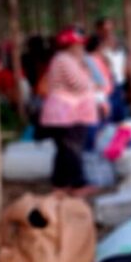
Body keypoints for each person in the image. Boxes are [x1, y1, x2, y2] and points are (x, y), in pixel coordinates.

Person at [40, 27, 100, 192]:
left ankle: (61, 184)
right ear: (70, 46)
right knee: (72, 150)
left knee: (65, 151)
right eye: (78, 45)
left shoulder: (65, 60)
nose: (81, 49)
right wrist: (92, 83)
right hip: (66, 114)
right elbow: (79, 84)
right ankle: (76, 184)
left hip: (66, 113)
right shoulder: (65, 60)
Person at [95, 17, 128, 122]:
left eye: (110, 29)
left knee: (121, 115)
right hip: (105, 86)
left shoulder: (120, 43)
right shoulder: (96, 47)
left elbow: (124, 63)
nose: (108, 32)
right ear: (98, 30)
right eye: (105, 29)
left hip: (120, 84)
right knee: (108, 116)